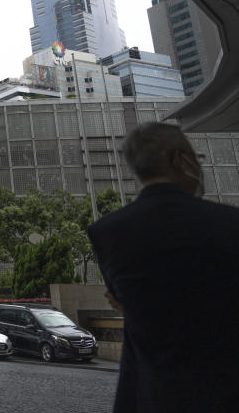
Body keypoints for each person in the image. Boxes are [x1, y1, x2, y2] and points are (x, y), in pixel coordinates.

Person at [88, 122, 239, 412]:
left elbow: (131, 301)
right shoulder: (230, 223)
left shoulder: (106, 232)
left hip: (152, 394)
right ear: (180, 159)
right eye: (197, 158)